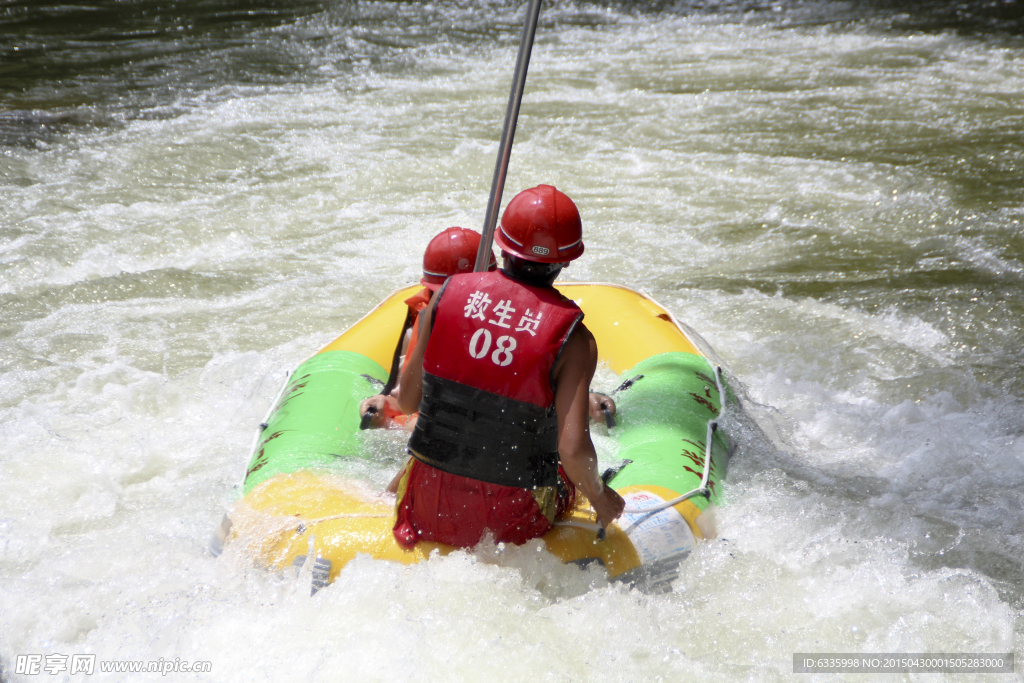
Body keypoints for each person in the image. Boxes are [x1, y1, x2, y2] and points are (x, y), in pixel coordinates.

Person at [391, 184, 625, 549]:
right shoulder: (575, 339)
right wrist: (600, 497)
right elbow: (573, 450)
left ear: (501, 245)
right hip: (509, 519)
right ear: (566, 261)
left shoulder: (445, 295)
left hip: (426, 504)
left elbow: (407, 402)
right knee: (567, 477)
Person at [359, 226, 496, 431]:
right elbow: (404, 405)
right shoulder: (417, 328)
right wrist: (384, 405)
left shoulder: (506, 331)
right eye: (442, 297)